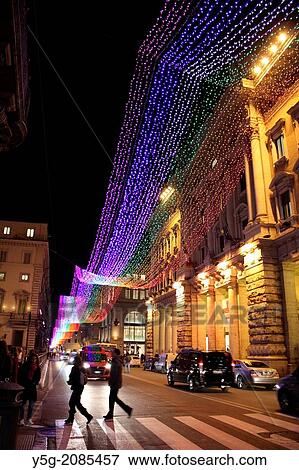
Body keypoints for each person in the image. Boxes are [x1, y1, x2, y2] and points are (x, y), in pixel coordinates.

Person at [103, 348, 132, 421]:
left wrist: (111, 382)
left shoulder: (116, 361)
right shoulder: (116, 360)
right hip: (116, 382)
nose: (111, 353)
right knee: (113, 398)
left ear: (115, 353)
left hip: (115, 383)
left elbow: (114, 373)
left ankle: (126, 409)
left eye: (112, 352)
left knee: (112, 398)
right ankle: (125, 410)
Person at [65, 355, 93, 425]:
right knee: (76, 403)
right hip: (80, 387)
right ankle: (86, 416)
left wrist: (70, 382)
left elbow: (73, 377)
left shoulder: (75, 368)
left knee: (72, 402)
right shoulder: (82, 368)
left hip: (77, 387)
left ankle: (73, 418)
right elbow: (87, 374)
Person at [19, 351, 41, 425]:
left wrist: (35, 382)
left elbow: (38, 377)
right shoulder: (25, 365)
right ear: (30, 359)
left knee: (31, 405)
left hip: (32, 388)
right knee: (22, 404)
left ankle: (29, 419)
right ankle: (21, 419)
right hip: (25, 387)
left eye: (35, 359)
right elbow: (21, 375)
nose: (33, 360)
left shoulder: (37, 368)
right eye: (32, 358)